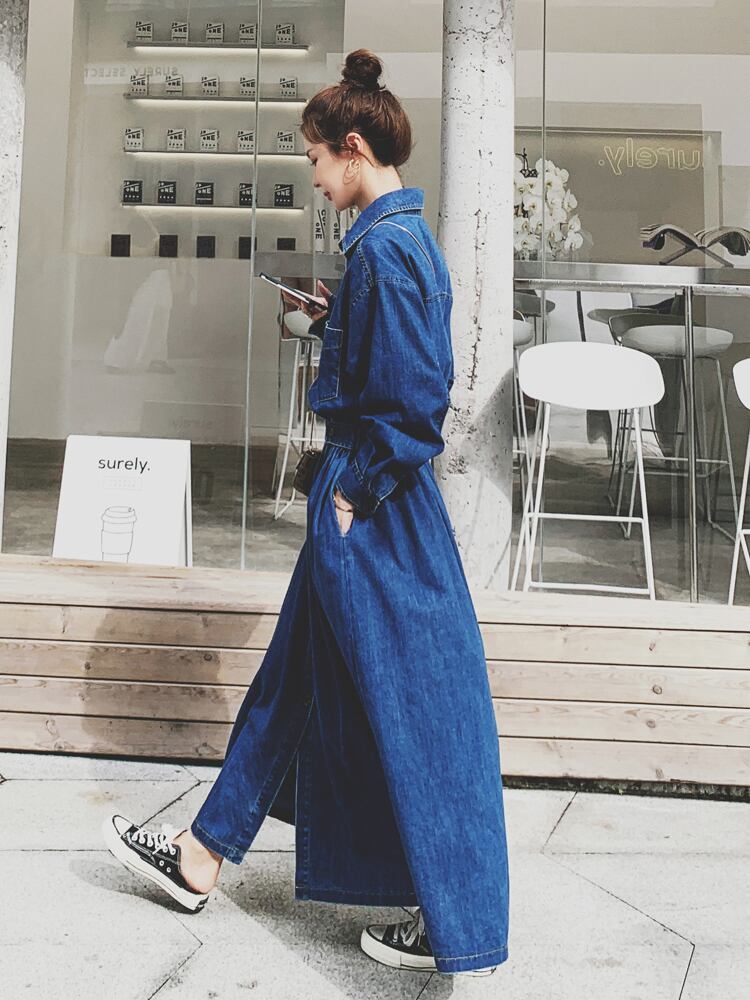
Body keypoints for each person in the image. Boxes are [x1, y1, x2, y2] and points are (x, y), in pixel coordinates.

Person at [102, 48, 510, 978]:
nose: (316, 180)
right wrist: (336, 317)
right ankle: (202, 856)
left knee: (421, 705)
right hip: (370, 498)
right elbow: (400, 373)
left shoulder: (388, 250)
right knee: (298, 681)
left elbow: (418, 403)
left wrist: (357, 493)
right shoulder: (393, 244)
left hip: (374, 503)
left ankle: (453, 923)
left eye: (318, 160)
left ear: (354, 147)